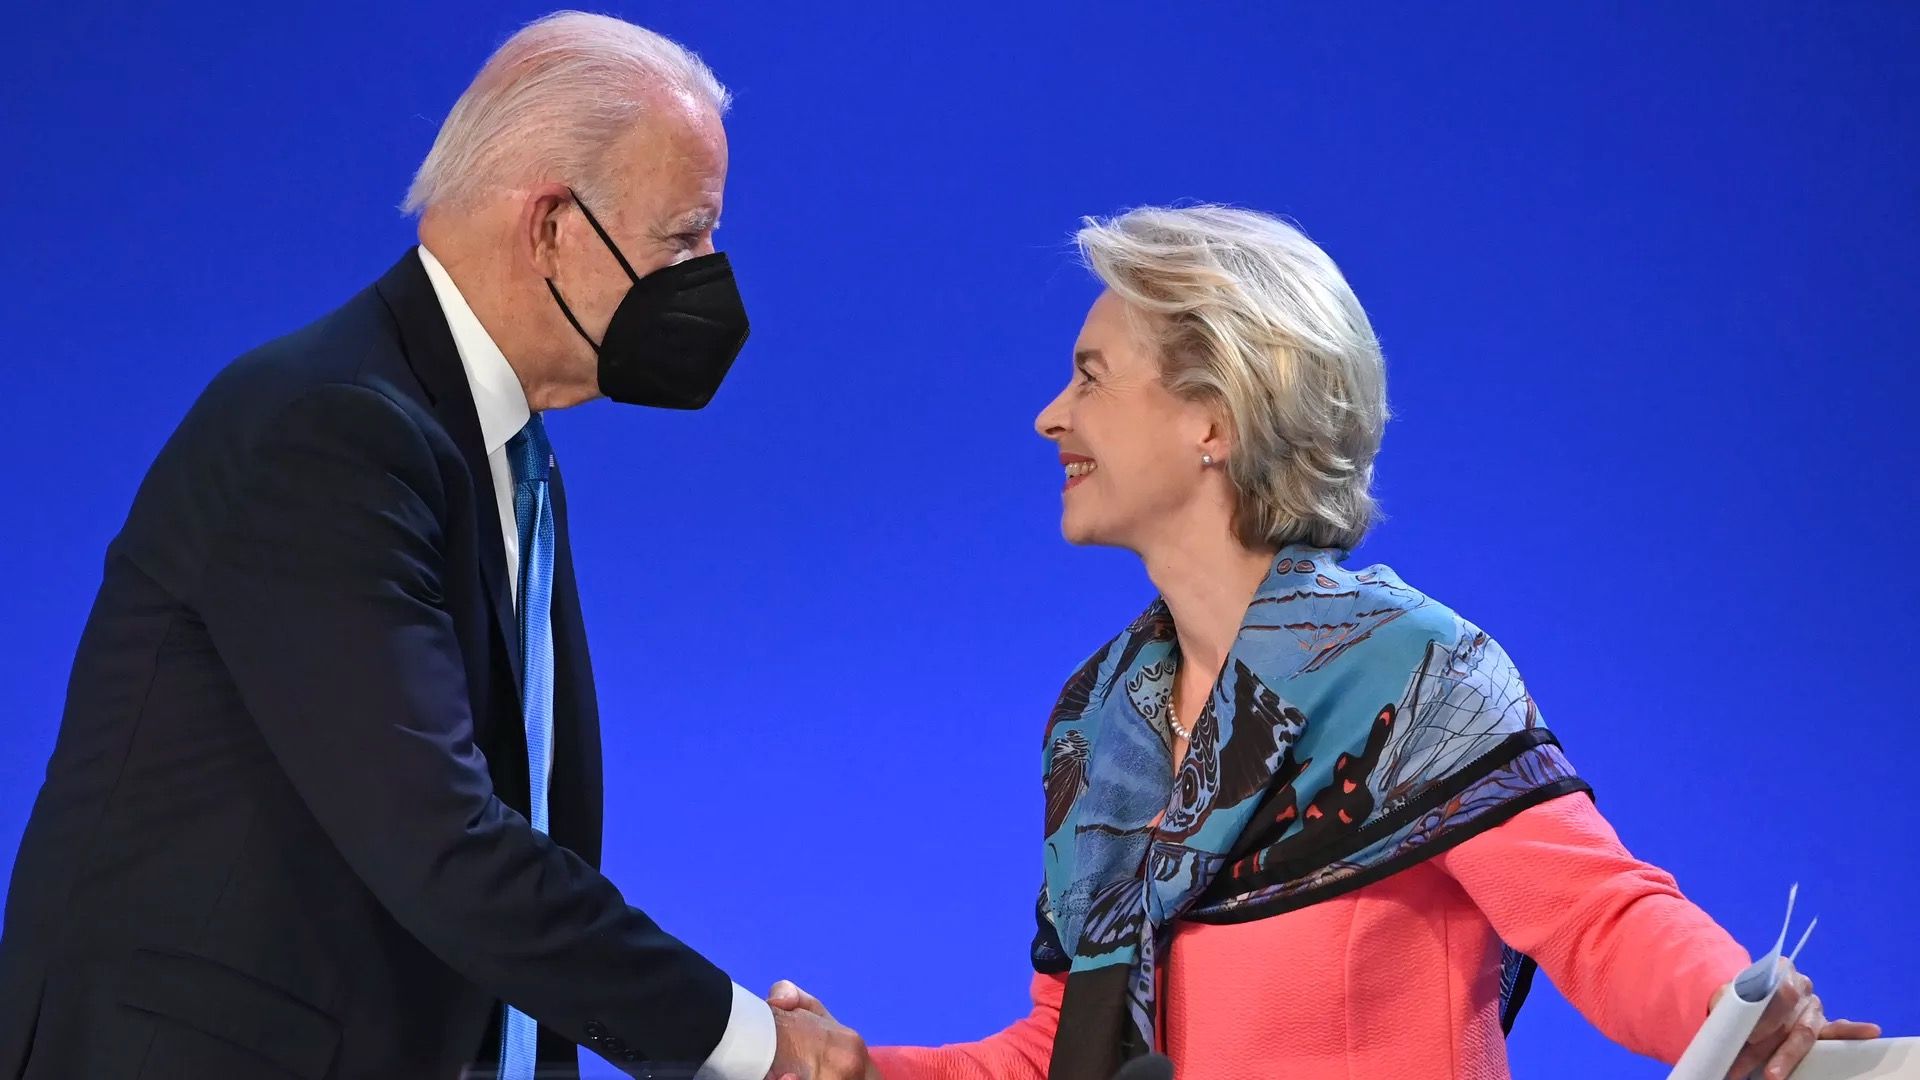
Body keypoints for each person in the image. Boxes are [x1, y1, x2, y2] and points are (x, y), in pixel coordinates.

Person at [767, 205, 1879, 1080]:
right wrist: (860, 1072)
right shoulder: (1095, 725)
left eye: (1091, 376)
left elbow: (1602, 916)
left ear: (1215, 416)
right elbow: (1062, 1057)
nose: (1051, 415)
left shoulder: (1414, 673)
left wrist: (1741, 1011)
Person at [0, 12, 866, 1080]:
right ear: (550, 227)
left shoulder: (498, 454)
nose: (709, 276)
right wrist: (754, 1048)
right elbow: (445, 847)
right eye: (684, 237)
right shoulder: (333, 431)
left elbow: (512, 852)